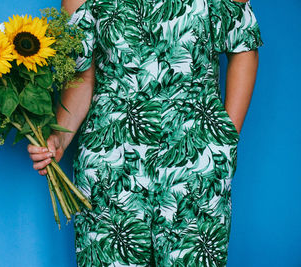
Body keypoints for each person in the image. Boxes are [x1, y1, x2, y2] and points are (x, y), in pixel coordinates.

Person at [28, 0, 263, 265]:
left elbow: (243, 47)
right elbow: (84, 77)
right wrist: (60, 137)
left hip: (195, 159)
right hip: (109, 165)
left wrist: (225, 139)